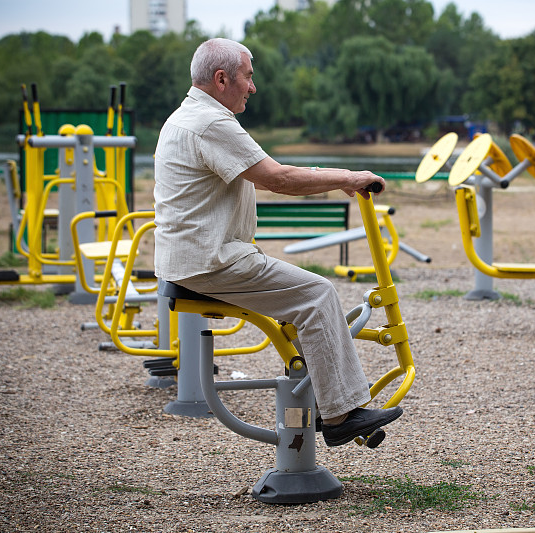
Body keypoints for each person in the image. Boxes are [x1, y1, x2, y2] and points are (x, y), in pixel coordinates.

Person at [153, 38, 401, 447]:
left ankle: (332, 400)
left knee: (303, 303)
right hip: (210, 261)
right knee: (317, 294)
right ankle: (340, 415)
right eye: (248, 77)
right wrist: (349, 177)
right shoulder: (210, 122)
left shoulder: (186, 116)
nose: (253, 87)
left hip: (196, 257)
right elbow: (278, 178)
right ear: (221, 79)